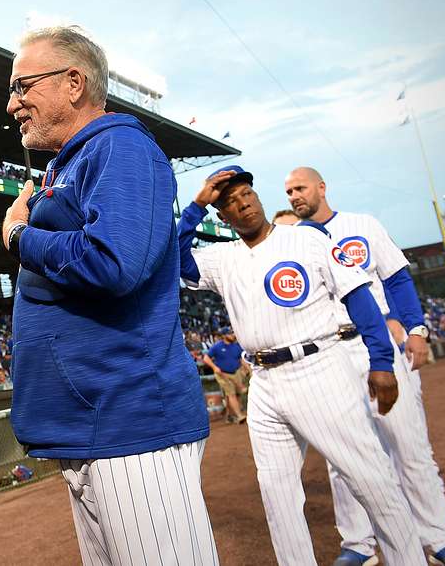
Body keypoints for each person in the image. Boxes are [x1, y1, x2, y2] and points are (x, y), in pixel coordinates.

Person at [1, 26, 215, 565]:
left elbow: (114, 263)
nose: (12, 104)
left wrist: (20, 237)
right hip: (92, 427)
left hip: (131, 423)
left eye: (23, 86)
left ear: (74, 83)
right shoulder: (69, 162)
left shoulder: (120, 145)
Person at [178, 166, 423, 566]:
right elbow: (174, 258)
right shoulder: (222, 258)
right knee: (277, 494)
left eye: (246, 195)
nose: (243, 204)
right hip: (263, 382)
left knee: (370, 479)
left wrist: (381, 360)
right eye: (230, 203)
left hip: (318, 369)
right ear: (222, 217)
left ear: (257, 197)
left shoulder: (306, 239)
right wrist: (196, 205)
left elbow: (358, 297)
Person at [284, 166, 445, 566]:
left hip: (378, 343)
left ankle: (438, 538)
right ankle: (358, 544)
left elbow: (398, 279)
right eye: (287, 192)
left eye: (299, 188)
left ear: (322, 187)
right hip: (331, 351)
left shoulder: (361, 224)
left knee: (410, 445)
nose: (293, 196)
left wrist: (416, 329)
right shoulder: (292, 240)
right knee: (343, 456)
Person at [202, 329, 249, 424]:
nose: (233, 335)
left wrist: (247, 368)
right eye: (230, 333)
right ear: (224, 335)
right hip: (222, 374)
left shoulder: (236, 346)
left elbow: (241, 359)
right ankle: (239, 415)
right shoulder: (217, 346)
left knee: (237, 394)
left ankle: (230, 415)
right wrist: (214, 367)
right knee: (231, 394)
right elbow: (206, 358)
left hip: (236, 372)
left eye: (232, 333)